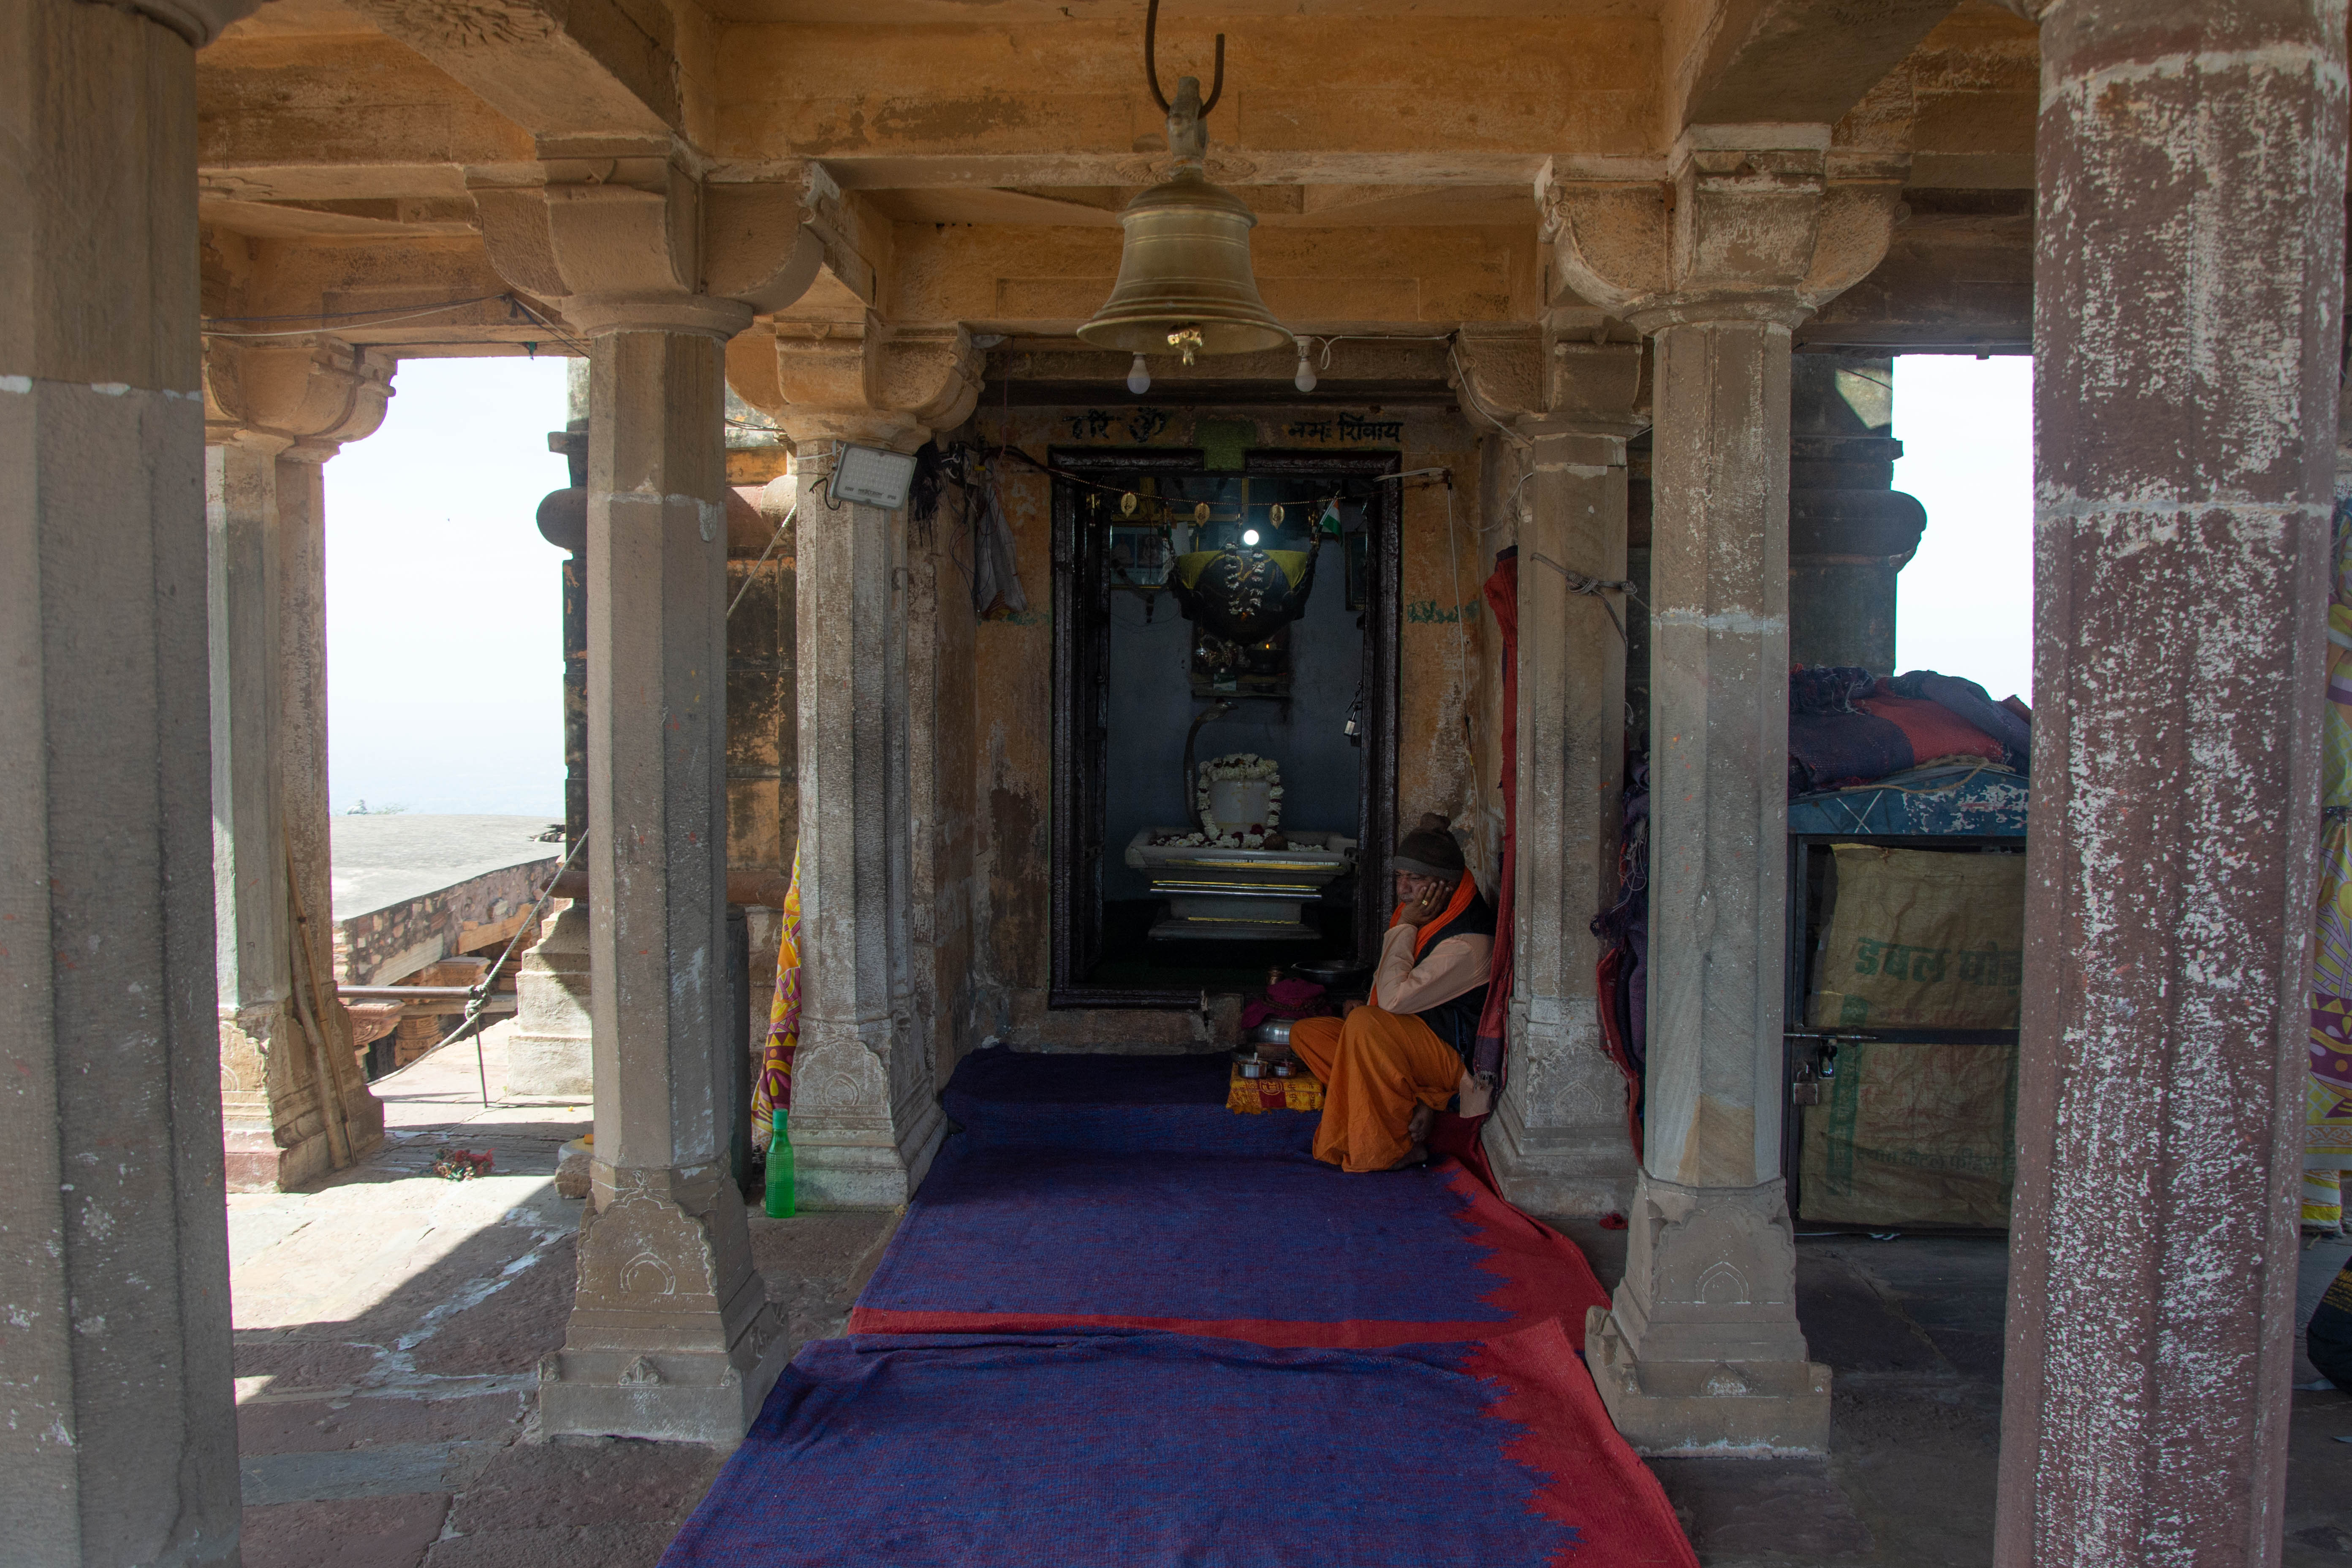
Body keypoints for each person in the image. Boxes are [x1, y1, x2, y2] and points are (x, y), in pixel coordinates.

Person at [1288, 814, 1496, 1171]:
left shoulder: (1467, 942)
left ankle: (1391, 1148)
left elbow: (1392, 1000)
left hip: (1449, 1057)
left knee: (1366, 1024)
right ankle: (1412, 1100)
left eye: (1416, 879)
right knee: (1306, 1034)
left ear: (1446, 886)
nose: (1404, 890)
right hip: (1411, 1040)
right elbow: (1386, 989)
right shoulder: (1426, 915)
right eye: (1401, 877)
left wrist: (1405, 926)